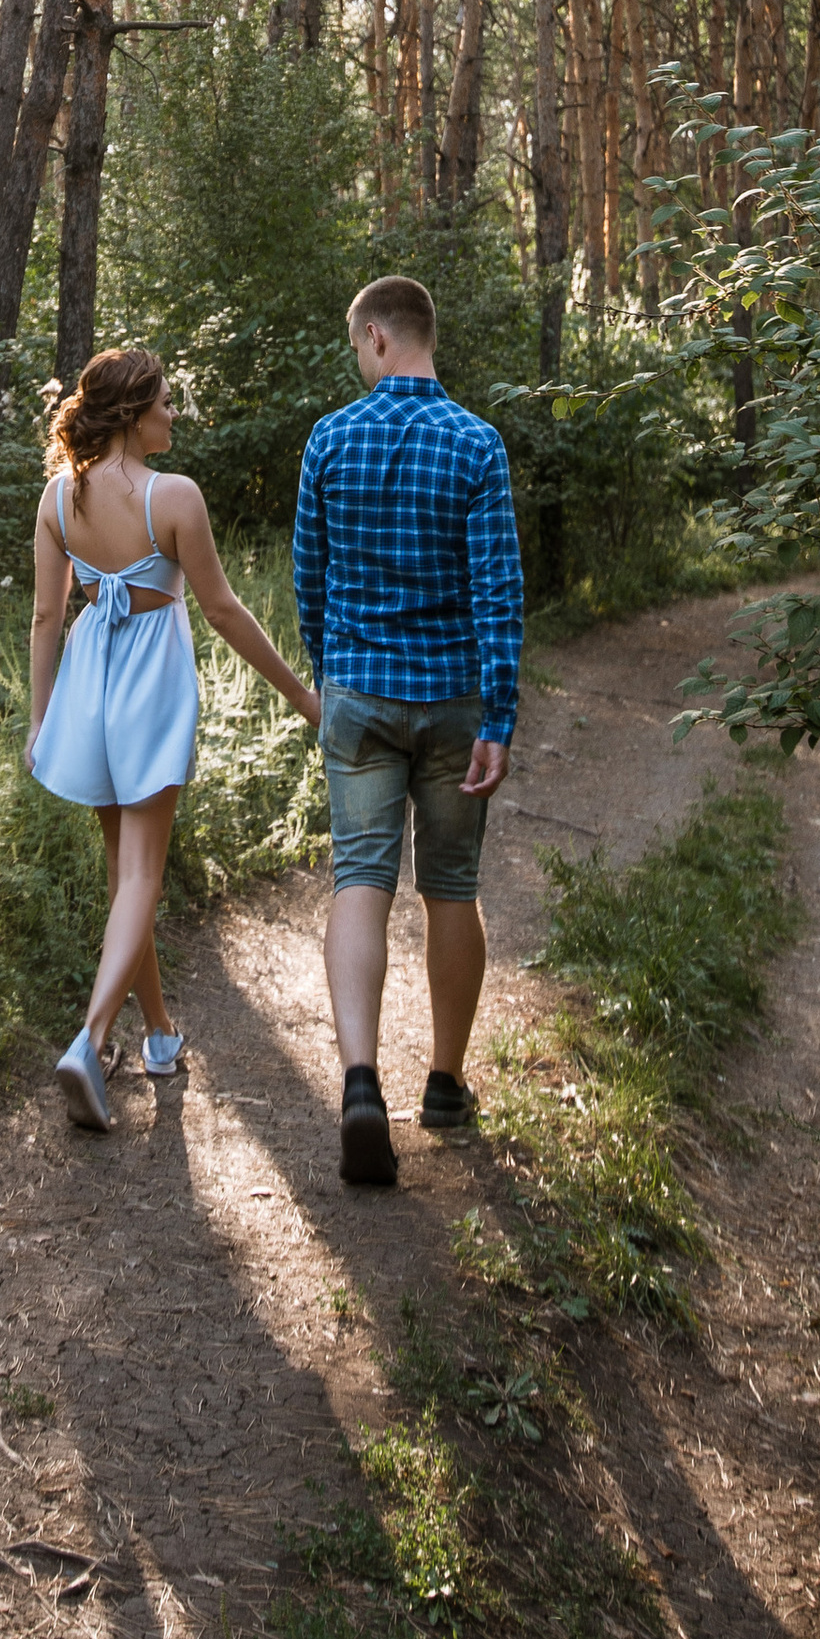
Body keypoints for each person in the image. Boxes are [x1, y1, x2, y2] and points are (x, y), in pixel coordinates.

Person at [28, 343, 322, 1132]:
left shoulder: (59, 500)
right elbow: (223, 611)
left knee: (127, 877)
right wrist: (301, 695)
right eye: (163, 400)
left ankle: (158, 1037)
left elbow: (48, 617)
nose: (173, 412)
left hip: (87, 688)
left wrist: (41, 718)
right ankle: (89, 1043)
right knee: (142, 875)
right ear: (131, 413)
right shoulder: (175, 496)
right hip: (150, 685)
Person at [292, 273, 522, 1188]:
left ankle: (358, 1085)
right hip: (455, 701)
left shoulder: (329, 439)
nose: (359, 360)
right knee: (452, 885)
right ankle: (444, 1083)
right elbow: (498, 592)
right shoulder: (476, 444)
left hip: (358, 694)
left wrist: (331, 672)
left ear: (380, 337)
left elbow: (310, 578)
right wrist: (498, 717)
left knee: (360, 875)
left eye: (358, 345)